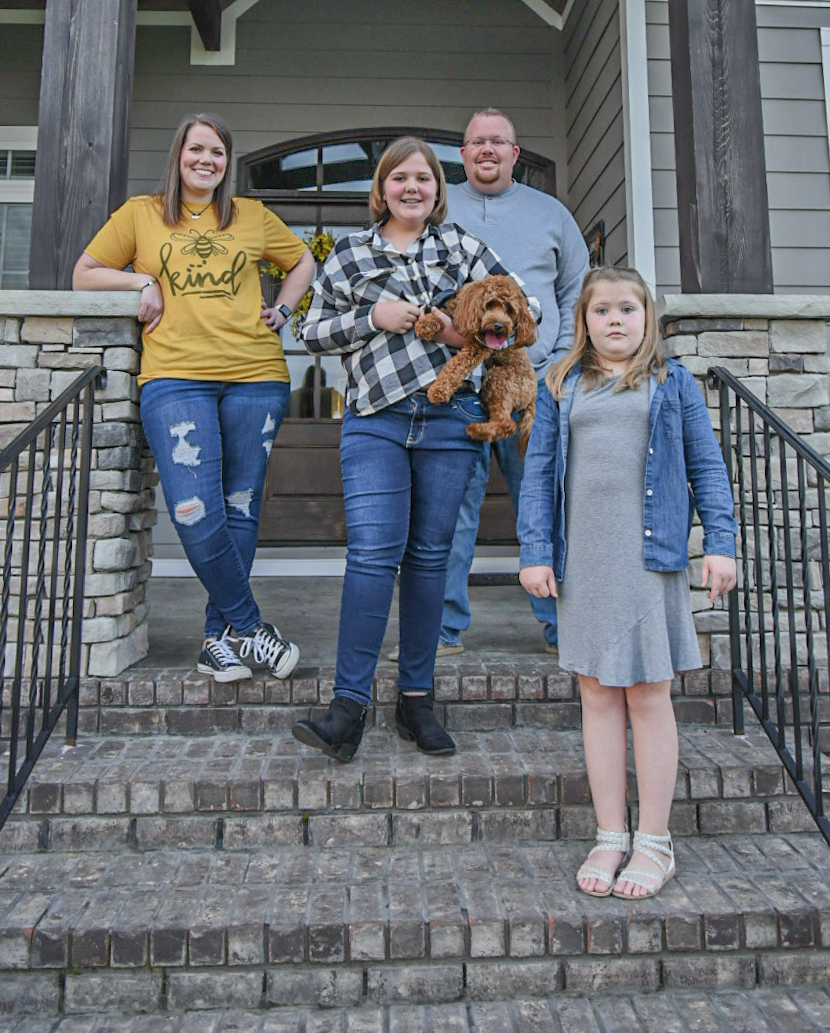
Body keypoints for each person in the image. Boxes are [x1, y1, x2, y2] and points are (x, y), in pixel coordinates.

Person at [292, 136, 537, 763]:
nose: (411, 187)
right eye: (399, 177)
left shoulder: (461, 247)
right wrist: (373, 318)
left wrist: (467, 330)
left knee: (430, 559)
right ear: (381, 189)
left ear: (437, 190)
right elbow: (311, 331)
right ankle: (347, 708)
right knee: (373, 555)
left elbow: (524, 305)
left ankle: (417, 701)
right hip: (375, 419)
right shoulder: (349, 253)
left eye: (423, 178)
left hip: (450, 421)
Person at [517, 266, 737, 899]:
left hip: (649, 559)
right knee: (596, 692)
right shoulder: (560, 384)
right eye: (601, 310)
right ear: (584, 321)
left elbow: (706, 468)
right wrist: (535, 552)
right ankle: (610, 834)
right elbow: (538, 475)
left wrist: (720, 544)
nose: (615, 319)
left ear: (648, 318)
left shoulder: (672, 383)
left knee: (646, 693)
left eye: (627, 309)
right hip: (584, 560)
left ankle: (655, 842)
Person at [73, 113, 314, 684]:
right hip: (175, 378)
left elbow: (303, 259)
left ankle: (216, 640)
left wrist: (283, 309)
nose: (206, 160)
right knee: (193, 509)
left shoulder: (251, 215)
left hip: (256, 375)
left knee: (240, 507)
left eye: (217, 152)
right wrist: (141, 281)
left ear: (227, 162)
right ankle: (250, 627)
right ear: (178, 155)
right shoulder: (141, 213)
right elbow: (85, 272)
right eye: (196, 149)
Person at [433, 107, 588, 656]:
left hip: (535, 387)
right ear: (463, 153)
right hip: (461, 391)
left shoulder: (551, 214)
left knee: (541, 503)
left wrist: (563, 359)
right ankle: (443, 631)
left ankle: (563, 630)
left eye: (498, 141)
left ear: (514, 154)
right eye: (477, 141)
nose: (487, 150)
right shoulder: (439, 208)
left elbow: (577, 290)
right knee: (452, 512)